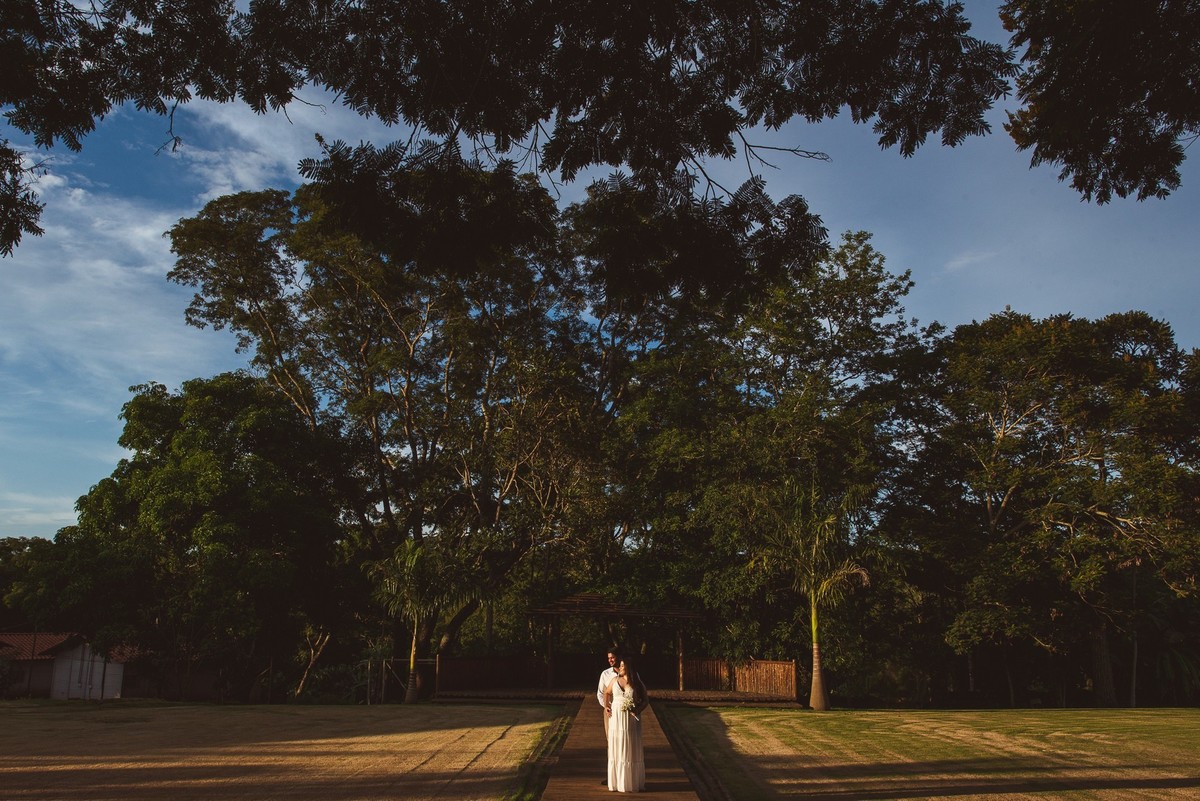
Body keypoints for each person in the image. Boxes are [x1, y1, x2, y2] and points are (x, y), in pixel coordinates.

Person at [604, 655, 647, 793]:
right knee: (617, 747)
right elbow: (606, 693)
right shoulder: (614, 680)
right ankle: (616, 783)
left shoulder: (637, 683)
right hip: (616, 720)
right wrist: (606, 706)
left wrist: (637, 709)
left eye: (623, 666)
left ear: (629, 667)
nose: (620, 668)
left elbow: (645, 700)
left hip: (630, 721)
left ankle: (630, 783)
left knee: (629, 748)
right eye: (620, 665)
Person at [597, 648, 620, 783]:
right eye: (608, 658)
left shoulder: (631, 673)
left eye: (612, 657)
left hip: (625, 714)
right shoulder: (605, 674)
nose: (610, 660)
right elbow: (600, 693)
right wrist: (606, 707)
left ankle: (625, 774)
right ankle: (611, 776)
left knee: (625, 743)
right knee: (611, 742)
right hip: (610, 713)